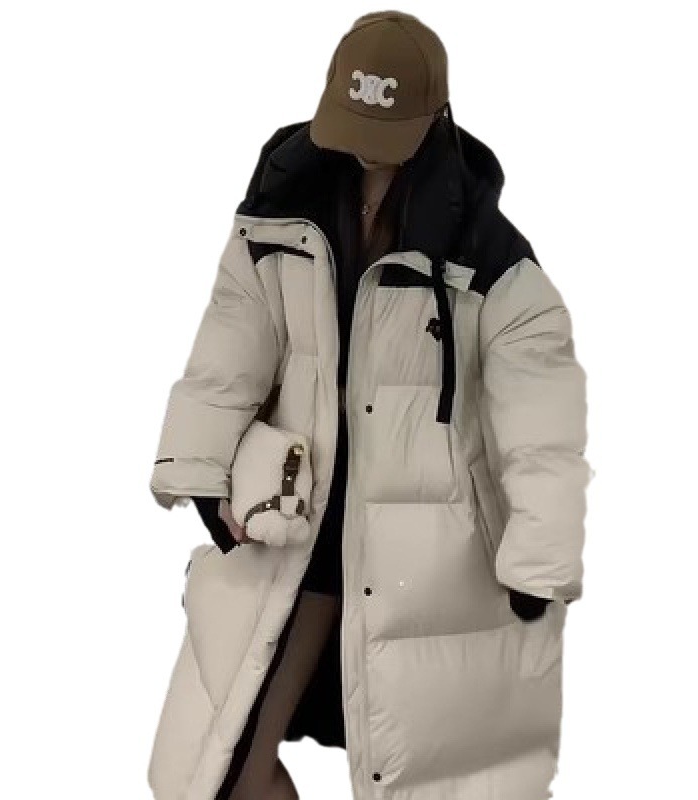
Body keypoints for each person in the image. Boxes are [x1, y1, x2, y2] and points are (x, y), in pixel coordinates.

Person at [148, 10, 591, 800]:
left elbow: (541, 419)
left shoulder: (486, 256)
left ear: (434, 116)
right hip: (298, 524)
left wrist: (540, 555)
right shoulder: (281, 211)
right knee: (215, 769)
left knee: (420, 776)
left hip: (428, 556)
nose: (367, 147)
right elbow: (231, 343)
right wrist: (201, 472)